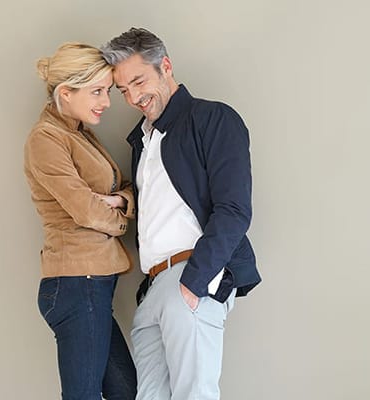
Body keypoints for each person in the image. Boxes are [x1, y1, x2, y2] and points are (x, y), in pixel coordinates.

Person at [101, 28, 262, 400]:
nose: (134, 97)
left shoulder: (213, 119)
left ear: (166, 67)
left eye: (138, 81)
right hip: (154, 288)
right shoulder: (141, 141)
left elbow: (234, 208)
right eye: (123, 90)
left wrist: (194, 284)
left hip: (190, 278)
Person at [24, 42, 137, 400]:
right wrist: (122, 222)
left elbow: (125, 189)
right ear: (66, 92)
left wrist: (119, 200)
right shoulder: (46, 139)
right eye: (97, 91)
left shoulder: (78, 134)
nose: (106, 101)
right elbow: (85, 210)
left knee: (126, 391)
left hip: (91, 285)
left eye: (107, 91)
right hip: (75, 284)